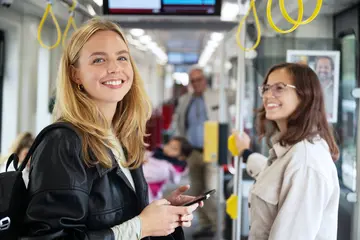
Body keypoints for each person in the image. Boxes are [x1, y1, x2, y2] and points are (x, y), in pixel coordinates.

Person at [21, 18, 200, 240]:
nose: (114, 68)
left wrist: (163, 212)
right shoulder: (63, 142)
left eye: (122, 57)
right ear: (75, 74)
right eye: (98, 60)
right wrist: (142, 226)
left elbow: (120, 217)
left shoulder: (120, 136)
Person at [233, 62, 340, 240]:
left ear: (305, 96)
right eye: (266, 88)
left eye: (279, 88)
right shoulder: (292, 150)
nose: (268, 95)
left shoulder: (306, 162)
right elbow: (274, 178)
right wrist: (246, 153)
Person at [172, 65, 235, 238]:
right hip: (193, 152)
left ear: (204, 80)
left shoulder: (217, 96)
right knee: (195, 192)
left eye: (199, 80)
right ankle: (206, 224)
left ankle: (219, 225)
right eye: (193, 81)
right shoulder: (185, 100)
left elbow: (227, 122)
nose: (196, 83)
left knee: (211, 189)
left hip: (213, 151)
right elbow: (179, 124)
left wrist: (228, 149)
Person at [143, 136, 192, 202]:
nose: (168, 148)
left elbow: (144, 175)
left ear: (181, 157)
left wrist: (140, 161)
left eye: (174, 148)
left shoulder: (165, 169)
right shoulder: (157, 153)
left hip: (147, 196)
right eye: (169, 144)